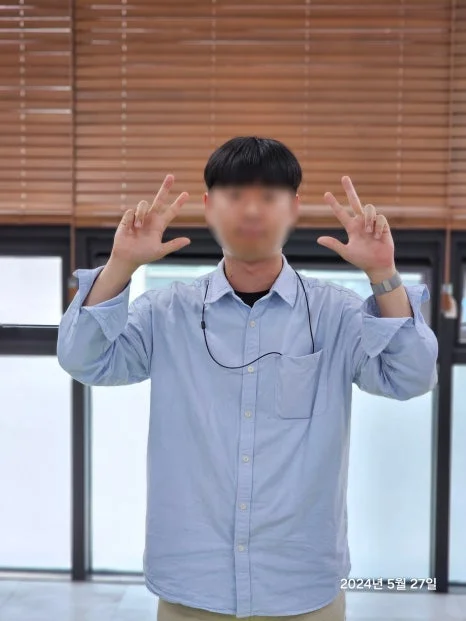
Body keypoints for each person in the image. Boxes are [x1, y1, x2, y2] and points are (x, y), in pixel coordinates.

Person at [57, 136, 438, 621]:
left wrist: (384, 274)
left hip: (302, 586)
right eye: (235, 195)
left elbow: (412, 377)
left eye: (269, 196)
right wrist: (120, 266)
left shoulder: (335, 314)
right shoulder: (166, 312)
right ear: (209, 207)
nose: (252, 210)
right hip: (192, 584)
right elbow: (83, 359)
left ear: (293, 208)